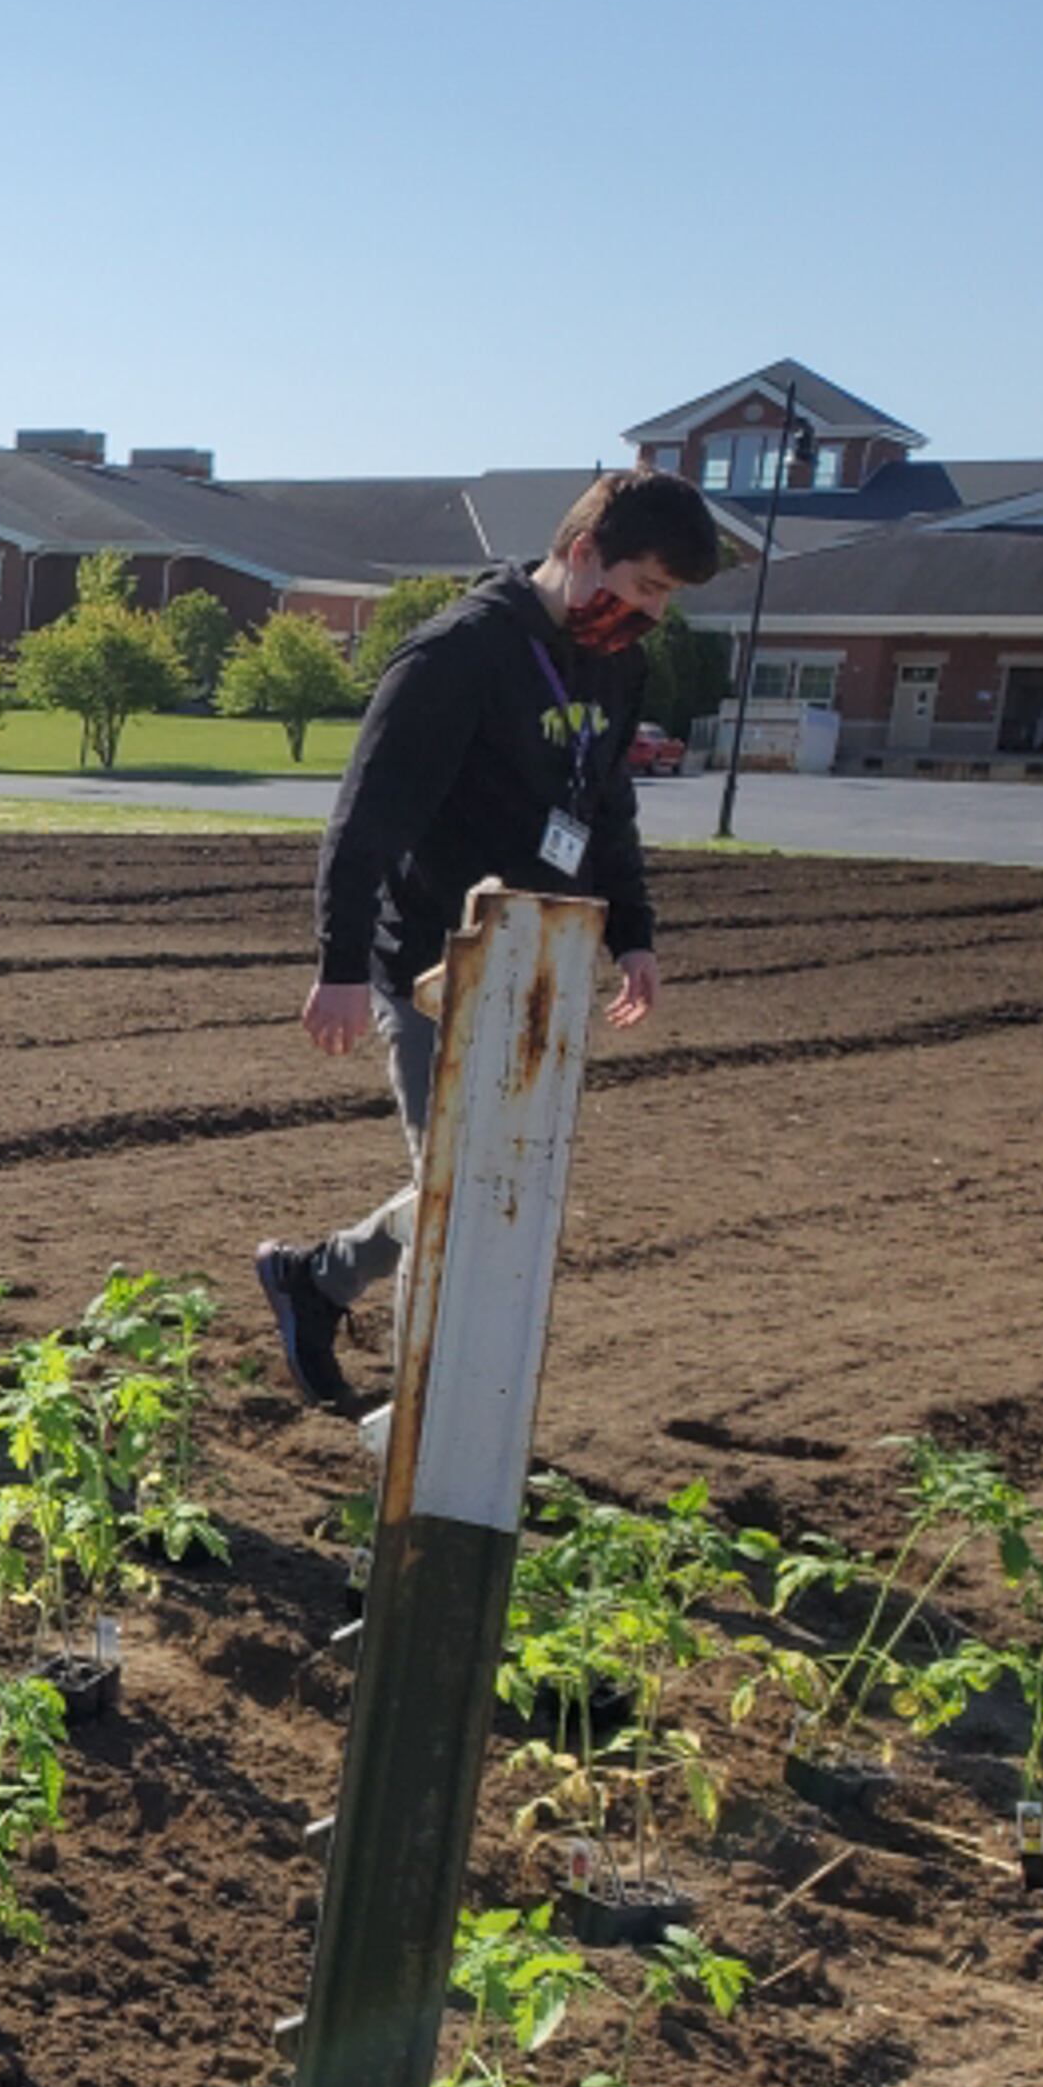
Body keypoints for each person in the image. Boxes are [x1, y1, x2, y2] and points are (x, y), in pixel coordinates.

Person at [254, 469, 722, 1408]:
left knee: (498, 1188)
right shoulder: (457, 656)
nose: (652, 616)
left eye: (666, 598)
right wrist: (341, 967)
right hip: (432, 968)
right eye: (647, 588)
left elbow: (606, 807)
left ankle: (319, 1280)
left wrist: (633, 934)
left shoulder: (614, 666)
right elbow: (366, 820)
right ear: (584, 553)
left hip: (538, 968)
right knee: (470, 1197)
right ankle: (434, 1417)